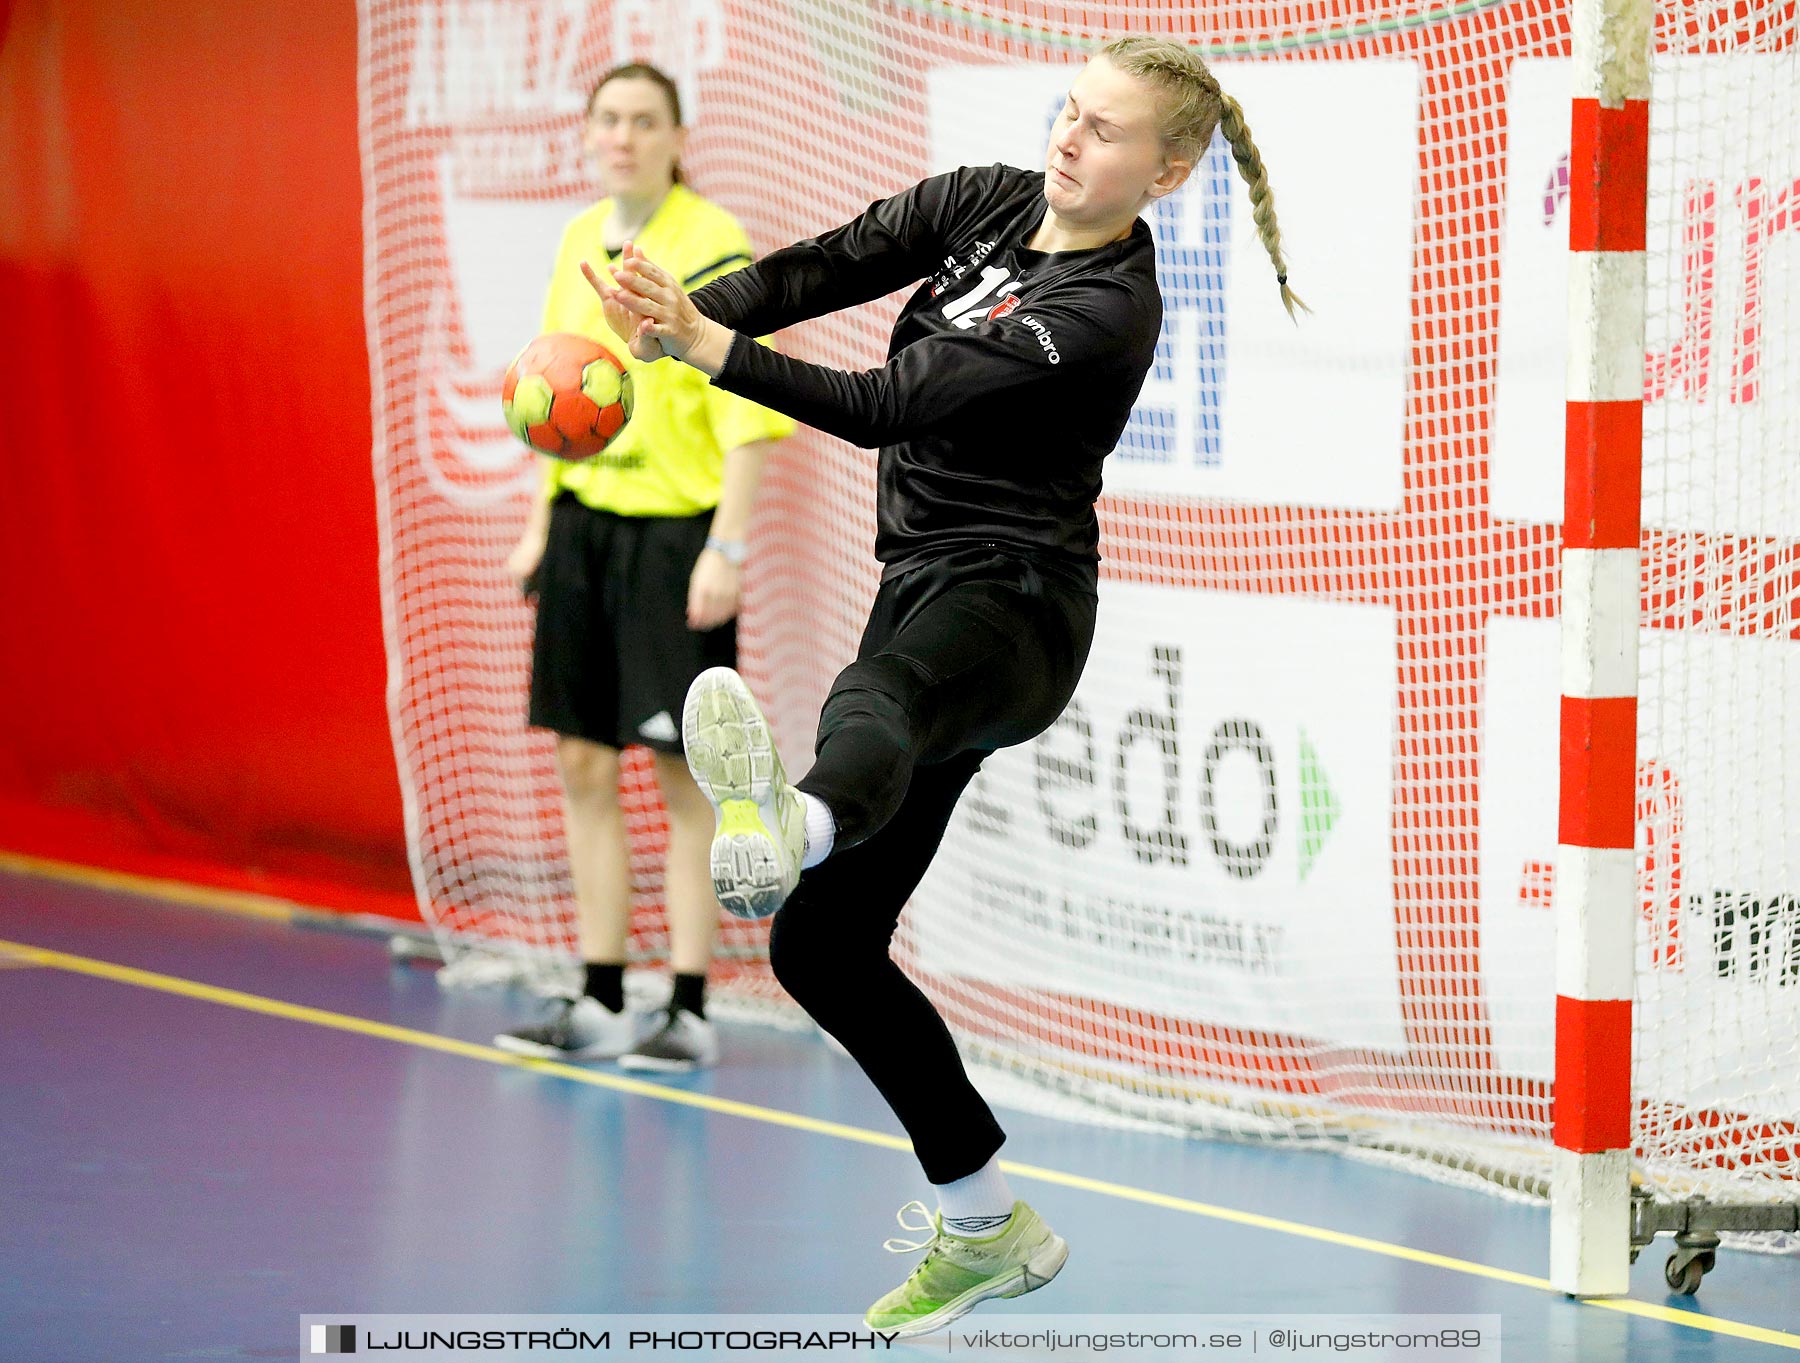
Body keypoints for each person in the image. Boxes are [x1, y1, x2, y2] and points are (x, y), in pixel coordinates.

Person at [597, 35, 1302, 1333]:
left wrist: (708, 353)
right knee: (822, 943)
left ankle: (787, 822)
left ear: (1173, 167)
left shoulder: (1103, 310)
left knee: (880, 700)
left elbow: (887, 401)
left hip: (1018, 606)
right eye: (1070, 112)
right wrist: (684, 311)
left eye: (1107, 130)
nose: (1072, 139)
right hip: (921, 577)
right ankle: (989, 1223)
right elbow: (825, 268)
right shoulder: (982, 201)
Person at [495, 63, 794, 1073]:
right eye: (607, 120)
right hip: (587, 529)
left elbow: (744, 410)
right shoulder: (582, 238)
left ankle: (689, 1005)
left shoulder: (708, 243)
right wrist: (542, 523)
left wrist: (728, 544)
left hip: (677, 535)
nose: (622, 137)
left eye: (643, 121)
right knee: (582, 759)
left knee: (681, 770)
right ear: (587, 136)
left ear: (675, 135)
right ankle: (600, 995)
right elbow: (552, 397)